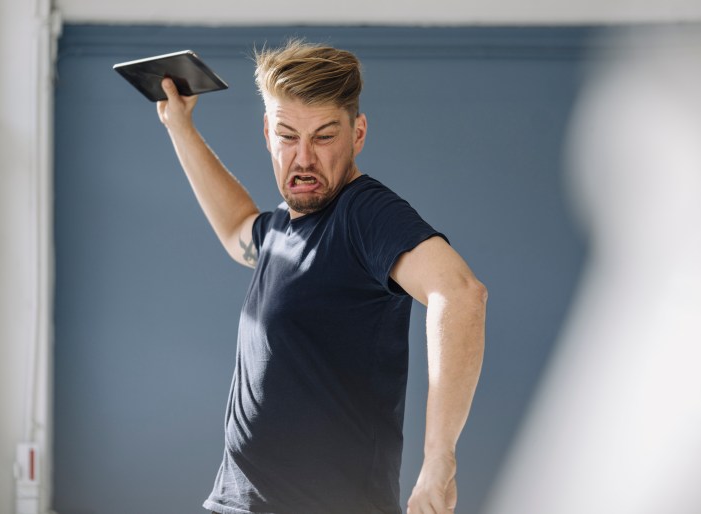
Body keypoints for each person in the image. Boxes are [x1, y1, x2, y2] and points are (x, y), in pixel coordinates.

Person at [156, 39, 486, 514]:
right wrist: (180, 126)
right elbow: (235, 229)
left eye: (324, 136)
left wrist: (439, 462)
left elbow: (460, 294)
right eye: (289, 136)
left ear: (358, 133)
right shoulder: (282, 232)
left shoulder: (364, 214)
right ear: (268, 132)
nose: (304, 158)